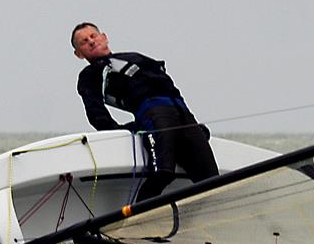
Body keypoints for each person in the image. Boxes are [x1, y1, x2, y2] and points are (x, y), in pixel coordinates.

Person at [71, 22, 218, 201]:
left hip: (184, 115)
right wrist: (118, 132)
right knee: (164, 172)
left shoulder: (136, 57)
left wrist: (195, 125)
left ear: (105, 37)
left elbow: (170, 86)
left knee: (212, 182)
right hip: (155, 115)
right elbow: (95, 112)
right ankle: (135, 220)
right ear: (79, 54)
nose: (91, 42)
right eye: (84, 42)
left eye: (93, 36)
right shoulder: (89, 75)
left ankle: (202, 221)